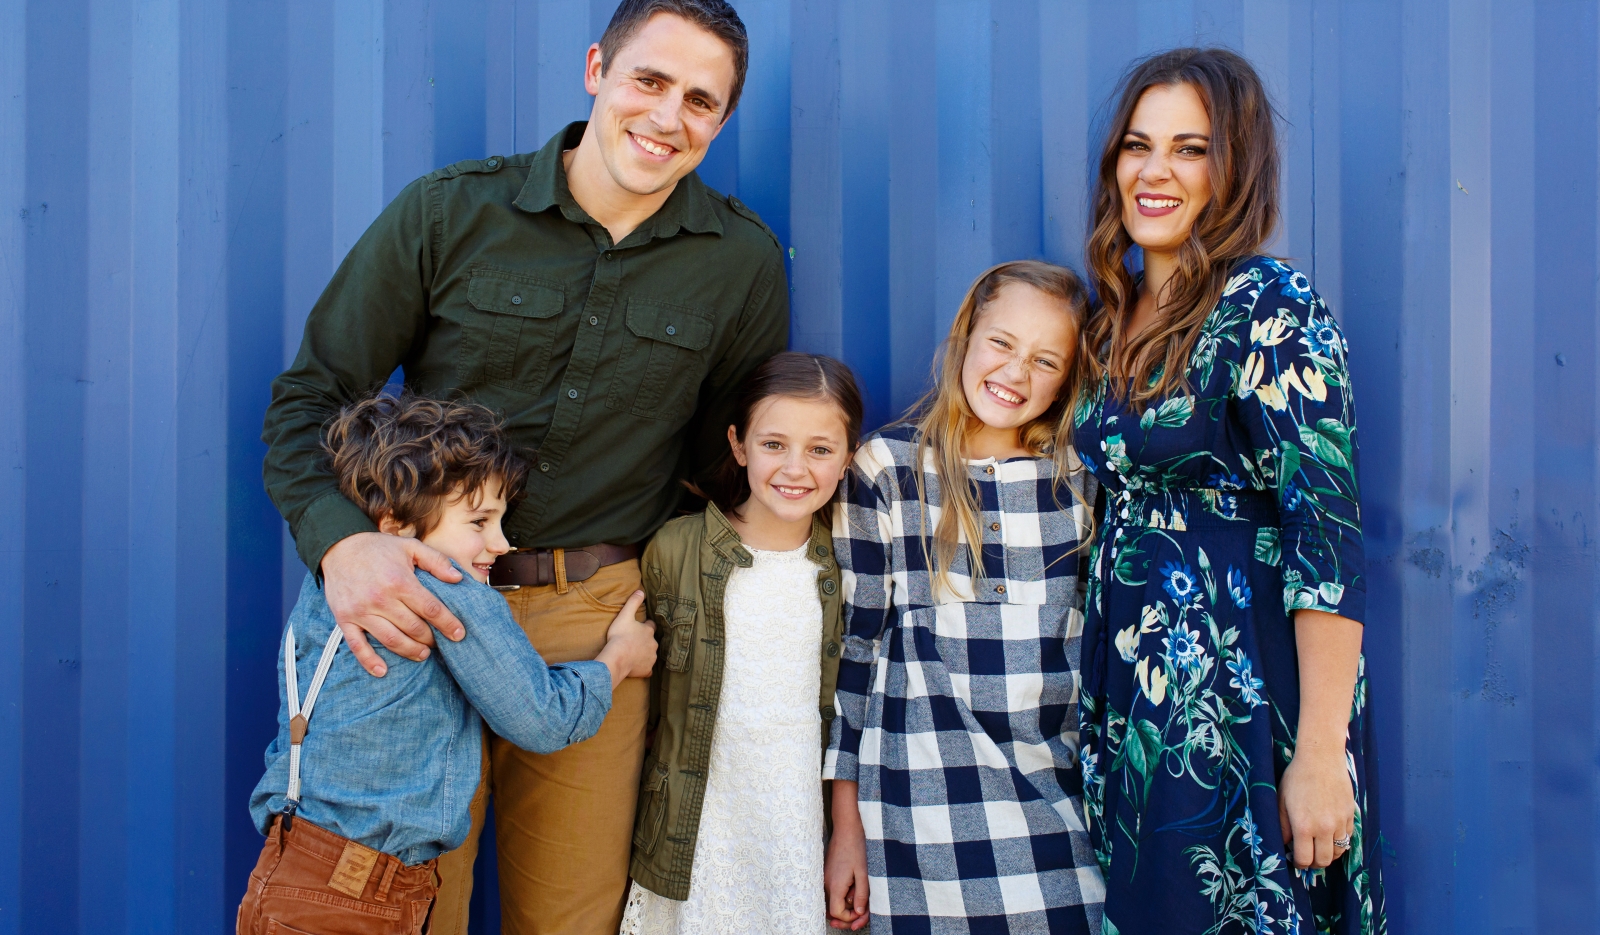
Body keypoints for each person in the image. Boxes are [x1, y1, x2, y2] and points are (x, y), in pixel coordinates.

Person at [258, 0, 786, 929]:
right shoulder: (451, 211)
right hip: (417, 609)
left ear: (723, 119)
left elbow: (725, 462)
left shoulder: (739, 260)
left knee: (570, 920)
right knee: (403, 910)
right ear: (596, 70)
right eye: (650, 80)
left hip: (592, 622)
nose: (668, 117)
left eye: (701, 101)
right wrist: (345, 547)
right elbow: (310, 399)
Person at [1072, 47, 1386, 934]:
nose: (1154, 171)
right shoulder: (1110, 315)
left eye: (1191, 149)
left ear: (1235, 168)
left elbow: (1326, 537)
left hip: (1239, 695)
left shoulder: (1270, 306)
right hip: (1136, 692)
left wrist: (1320, 752)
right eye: (1138, 145)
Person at [238, 393, 658, 935]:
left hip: (287, 867)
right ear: (395, 525)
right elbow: (542, 719)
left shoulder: (327, 588)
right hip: (366, 892)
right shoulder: (447, 590)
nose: (501, 544)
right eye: (479, 521)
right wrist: (619, 658)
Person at [823, 262, 1104, 934]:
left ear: (1068, 378)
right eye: (1001, 343)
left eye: (1045, 360)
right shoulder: (886, 468)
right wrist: (845, 828)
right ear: (966, 336)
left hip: (1055, 812)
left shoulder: (1081, 482)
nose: (1015, 372)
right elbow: (856, 655)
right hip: (915, 820)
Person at [618, 352, 864, 934]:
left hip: (796, 827)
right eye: (773, 444)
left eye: (820, 449)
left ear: (848, 459)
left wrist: (846, 832)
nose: (795, 468)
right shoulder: (676, 549)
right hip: (697, 831)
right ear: (738, 444)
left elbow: (856, 707)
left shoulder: (848, 563)